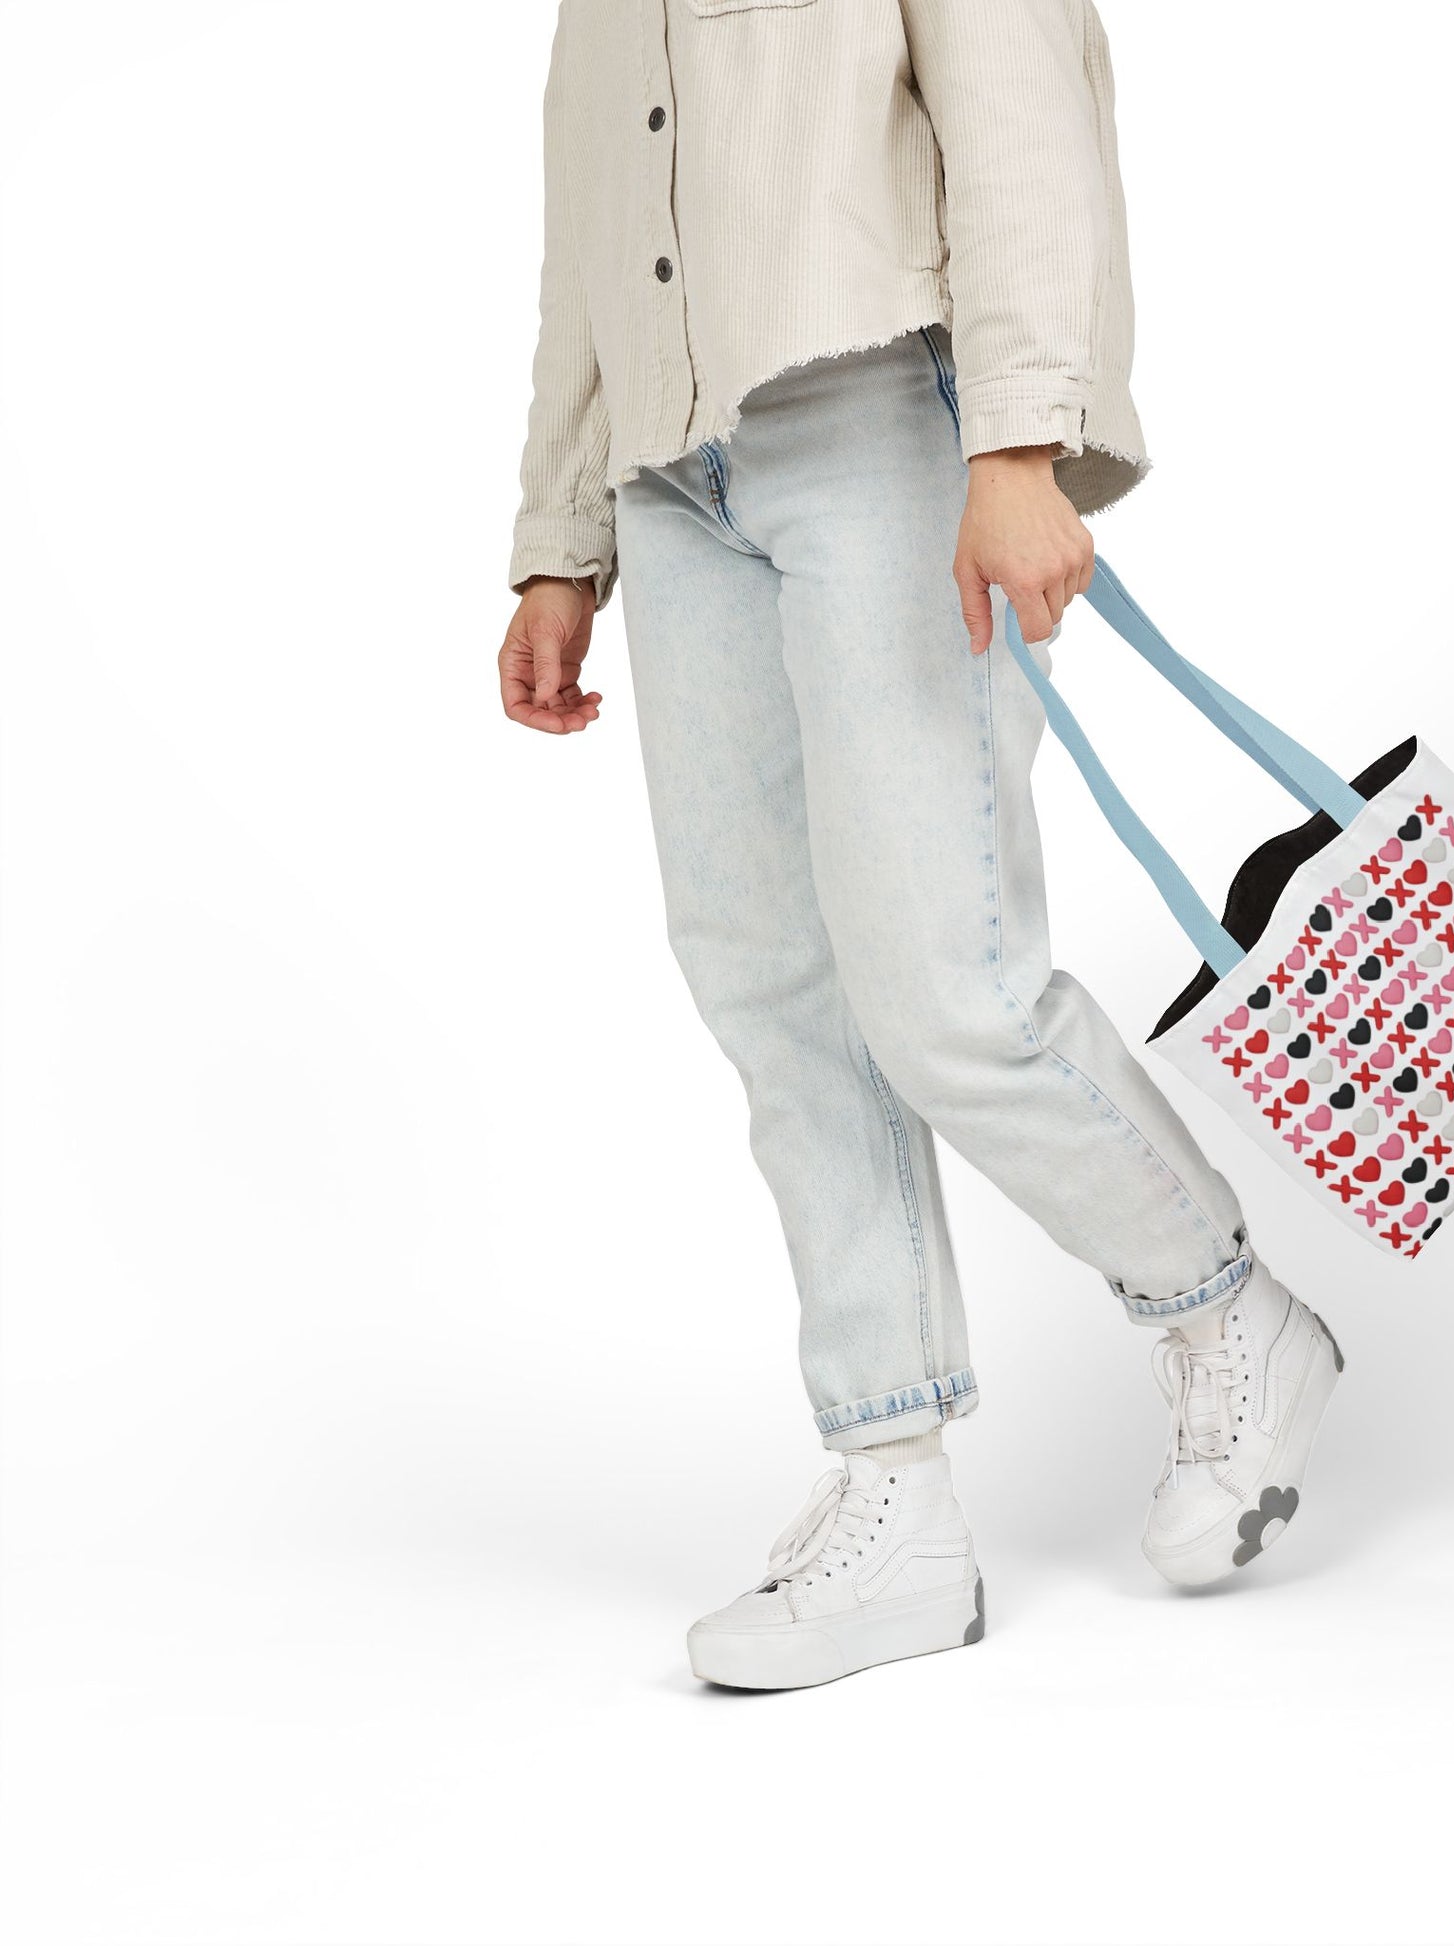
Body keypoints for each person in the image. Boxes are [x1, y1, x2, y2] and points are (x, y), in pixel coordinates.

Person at [497, 0, 1343, 1690]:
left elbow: (1021, 112)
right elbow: (588, 222)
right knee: (772, 994)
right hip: (672, 478)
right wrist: (557, 539)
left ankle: (1221, 1304)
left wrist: (1016, 441)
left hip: (875, 417)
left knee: (945, 987)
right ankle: (892, 1485)